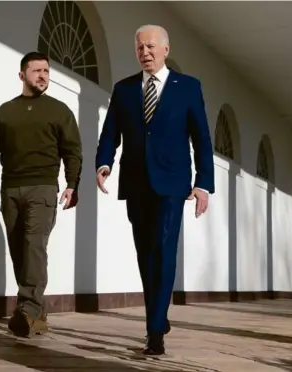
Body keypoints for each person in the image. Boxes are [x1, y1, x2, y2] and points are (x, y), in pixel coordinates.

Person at [95, 25, 215, 355]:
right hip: (135, 182)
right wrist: (103, 163)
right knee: (145, 254)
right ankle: (158, 317)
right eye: (139, 48)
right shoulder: (123, 89)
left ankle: (154, 330)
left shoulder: (188, 88)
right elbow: (110, 134)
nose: (145, 52)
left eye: (150, 47)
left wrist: (203, 183)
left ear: (165, 49)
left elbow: (201, 138)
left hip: (173, 184)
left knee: (163, 249)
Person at [0, 51, 83, 338]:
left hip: (43, 188)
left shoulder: (60, 111)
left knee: (34, 246)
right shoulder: (5, 112)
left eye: (46, 70)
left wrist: (71, 184)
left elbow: (73, 151)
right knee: (20, 251)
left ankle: (28, 310)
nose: (43, 75)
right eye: (36, 71)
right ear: (22, 75)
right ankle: (37, 313)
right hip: (10, 189)